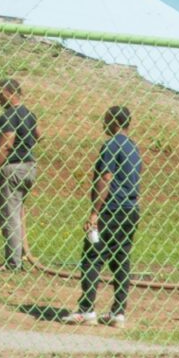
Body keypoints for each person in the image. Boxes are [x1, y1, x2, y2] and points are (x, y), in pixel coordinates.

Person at [65, 104, 141, 325]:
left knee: (92, 256)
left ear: (115, 122)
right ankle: (118, 312)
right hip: (130, 209)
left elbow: (106, 177)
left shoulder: (111, 145)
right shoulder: (133, 148)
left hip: (111, 209)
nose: (103, 123)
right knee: (121, 259)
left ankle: (87, 309)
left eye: (106, 119)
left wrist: (94, 213)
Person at [0, 78, 39, 271]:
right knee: (16, 213)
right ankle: (19, 255)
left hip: (11, 170)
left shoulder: (7, 117)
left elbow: (6, 145)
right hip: (29, 168)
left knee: (8, 216)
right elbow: (38, 135)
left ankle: (13, 263)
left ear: (8, 93)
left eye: (0, 94)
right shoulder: (29, 114)